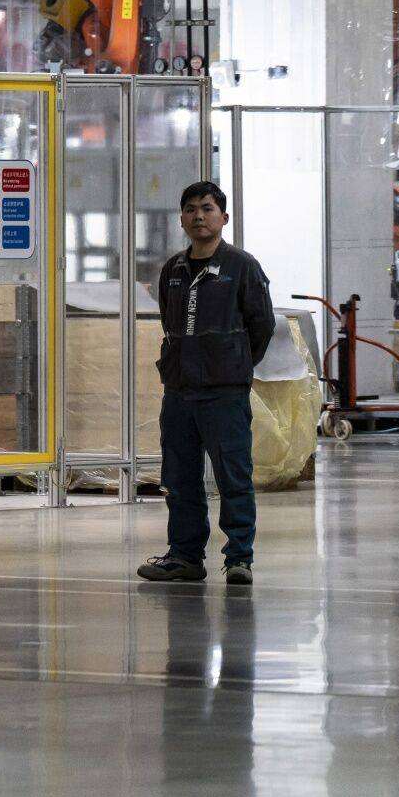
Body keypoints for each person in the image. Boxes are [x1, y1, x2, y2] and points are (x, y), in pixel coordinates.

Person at [137, 180, 275, 586]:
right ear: (182, 218)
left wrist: (232, 363)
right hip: (179, 392)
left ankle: (238, 559)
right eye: (192, 209)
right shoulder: (173, 270)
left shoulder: (241, 267)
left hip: (224, 392)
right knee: (179, 478)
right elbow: (169, 321)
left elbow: (261, 326)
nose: (199, 215)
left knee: (234, 474)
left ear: (223, 217)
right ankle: (184, 556)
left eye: (208, 208)